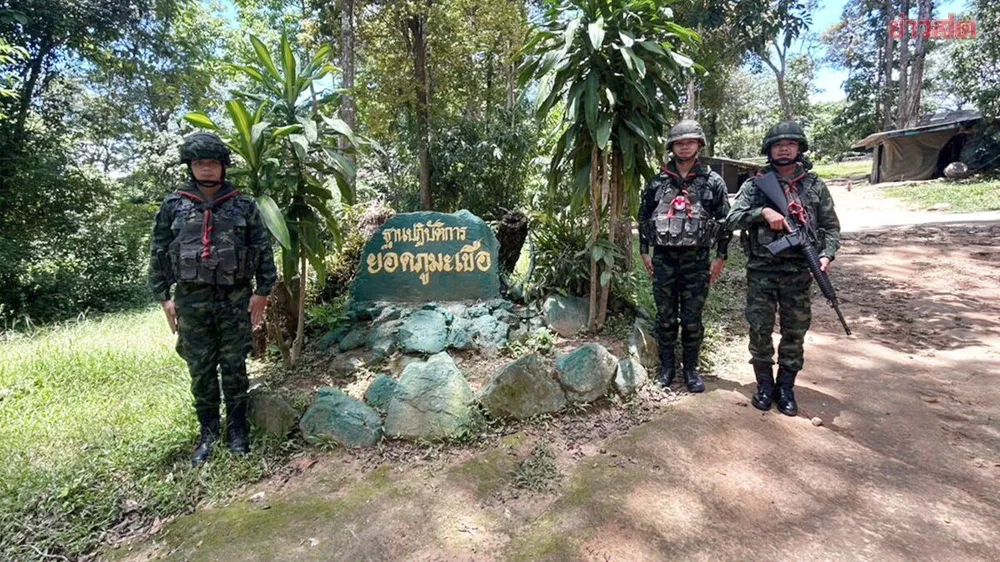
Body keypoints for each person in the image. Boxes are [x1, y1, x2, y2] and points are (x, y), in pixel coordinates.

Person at [148, 132, 277, 465]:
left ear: (223, 166)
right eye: (199, 162)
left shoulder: (243, 204)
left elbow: (262, 249)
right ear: (190, 166)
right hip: (191, 301)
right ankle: (208, 433)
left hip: (235, 298)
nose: (206, 169)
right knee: (200, 369)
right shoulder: (173, 204)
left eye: (212, 163)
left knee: (234, 366)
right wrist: (164, 298)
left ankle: (238, 431)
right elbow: (159, 251)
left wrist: (262, 291)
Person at [726, 121, 841, 416]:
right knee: (760, 327)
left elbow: (830, 228)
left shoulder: (815, 186)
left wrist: (826, 256)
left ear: (799, 148)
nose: (784, 149)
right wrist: (762, 212)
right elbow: (732, 218)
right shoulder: (755, 185)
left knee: (795, 330)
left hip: (800, 271)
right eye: (778, 145)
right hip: (762, 269)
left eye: (790, 144)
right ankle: (764, 384)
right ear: (769, 150)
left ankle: (786, 387)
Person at [638, 120, 731, 392]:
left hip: (697, 261)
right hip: (664, 259)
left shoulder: (712, 181)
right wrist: (644, 251)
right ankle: (667, 367)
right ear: (672, 146)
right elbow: (644, 218)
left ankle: (690, 369)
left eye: (690, 141)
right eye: (679, 142)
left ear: (699, 144)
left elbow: (724, 221)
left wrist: (721, 256)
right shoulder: (657, 182)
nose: (685, 145)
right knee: (666, 317)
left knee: (692, 319)